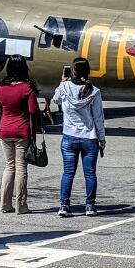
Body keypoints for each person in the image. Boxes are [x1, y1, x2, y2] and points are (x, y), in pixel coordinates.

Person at [52, 56, 107, 216]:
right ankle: (90, 206)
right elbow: (98, 118)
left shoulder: (64, 87)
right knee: (90, 174)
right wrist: (102, 138)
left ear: (73, 71)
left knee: (68, 173)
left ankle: (64, 205)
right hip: (89, 137)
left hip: (69, 136)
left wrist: (62, 82)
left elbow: (56, 100)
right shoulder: (94, 91)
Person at [0, 55, 42, 214]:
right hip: (22, 130)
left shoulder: (1, 87)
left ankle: (5, 204)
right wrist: (35, 129)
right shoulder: (27, 87)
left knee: (9, 166)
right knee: (21, 167)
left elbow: (0, 108)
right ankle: (21, 205)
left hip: (5, 129)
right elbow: (33, 111)